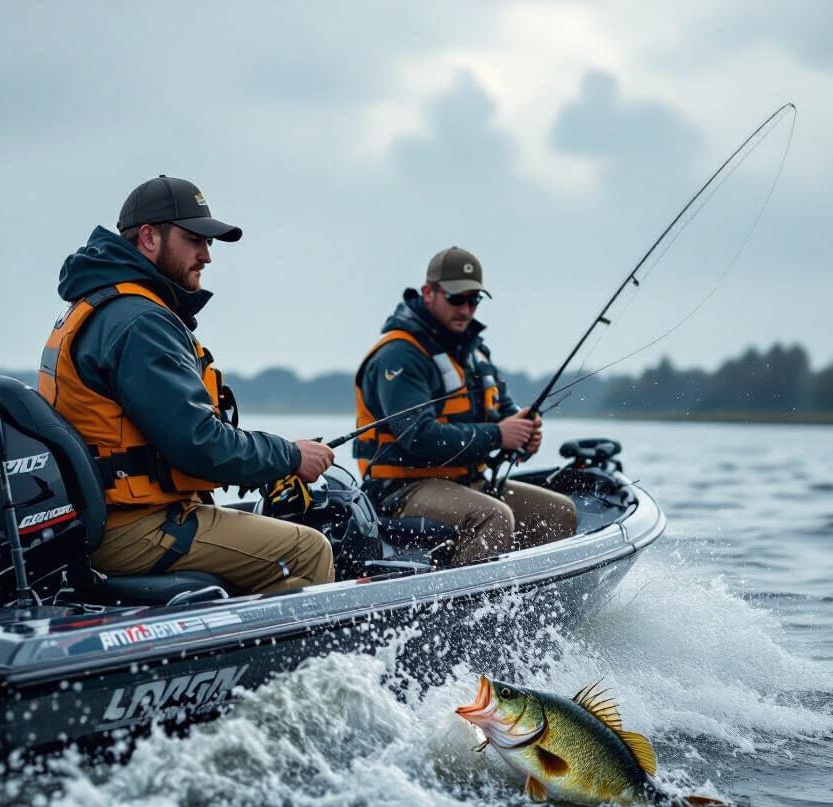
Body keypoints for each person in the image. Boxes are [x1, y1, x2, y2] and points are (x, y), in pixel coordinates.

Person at [39, 174, 335, 593]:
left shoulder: (98, 303)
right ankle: (298, 662)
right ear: (148, 238)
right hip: (132, 530)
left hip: (98, 522)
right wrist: (289, 456)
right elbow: (199, 443)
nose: (207, 256)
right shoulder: (140, 322)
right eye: (195, 239)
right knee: (309, 550)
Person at [354, 247, 577, 565]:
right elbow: (418, 436)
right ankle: (472, 612)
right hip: (400, 491)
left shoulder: (475, 353)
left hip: (467, 482)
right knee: (492, 517)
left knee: (558, 510)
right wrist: (500, 435)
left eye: (474, 300)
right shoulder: (399, 355)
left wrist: (525, 435)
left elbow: (505, 417)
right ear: (428, 293)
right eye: (457, 299)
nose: (466, 309)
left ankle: (531, 605)